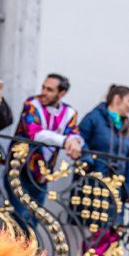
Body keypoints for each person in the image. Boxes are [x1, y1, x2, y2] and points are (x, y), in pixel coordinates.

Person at [76, 85, 129, 256]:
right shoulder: (94, 118)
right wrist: (89, 163)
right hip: (96, 185)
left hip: (116, 190)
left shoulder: (128, 129)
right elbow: (79, 140)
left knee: (112, 233)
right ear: (117, 99)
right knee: (97, 231)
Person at [14, 72, 83, 226]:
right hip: (20, 169)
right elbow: (34, 132)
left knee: (34, 220)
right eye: (43, 87)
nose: (44, 92)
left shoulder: (69, 113)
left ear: (62, 93)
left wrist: (75, 141)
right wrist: (66, 141)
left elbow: (74, 133)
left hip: (43, 175)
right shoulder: (32, 104)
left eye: (49, 90)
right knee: (21, 218)